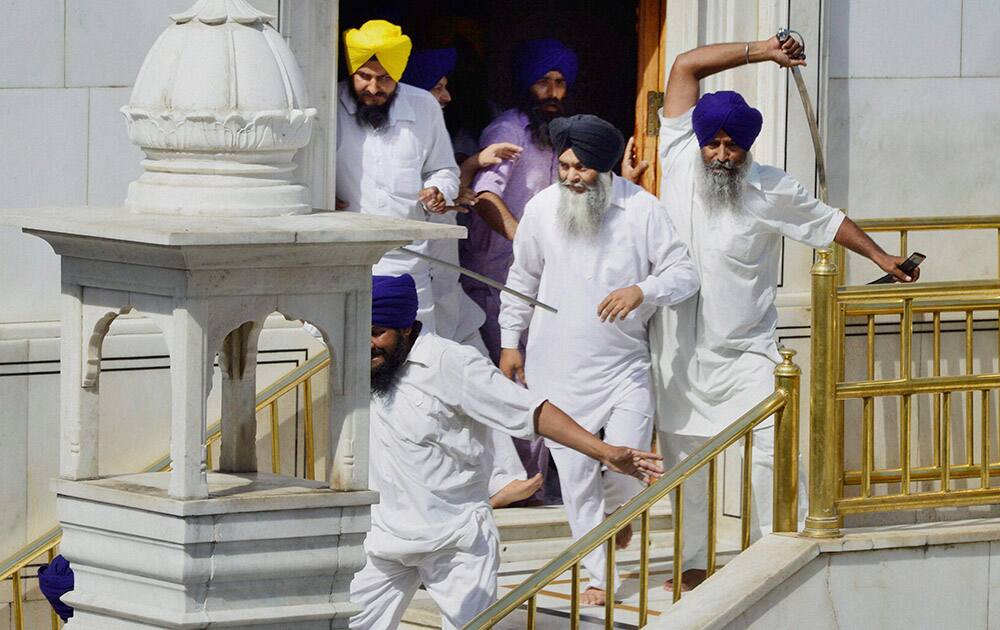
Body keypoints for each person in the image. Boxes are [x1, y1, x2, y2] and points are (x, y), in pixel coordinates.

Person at [648, 35, 920, 592]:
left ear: (748, 148)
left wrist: (882, 257)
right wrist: (762, 50)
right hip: (675, 350)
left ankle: (780, 556)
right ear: (697, 141)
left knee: (770, 452)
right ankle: (695, 568)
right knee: (687, 468)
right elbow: (684, 65)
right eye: (714, 143)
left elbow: (828, 221)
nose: (722, 154)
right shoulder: (676, 155)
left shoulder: (770, 188)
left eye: (732, 145)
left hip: (746, 352)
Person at [348, 274, 664, 629]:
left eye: (377, 332)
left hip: (455, 544)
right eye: (361, 329)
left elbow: (531, 411)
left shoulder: (452, 364)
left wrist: (603, 451)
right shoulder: (361, 363)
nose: (367, 342)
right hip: (384, 541)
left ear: (406, 328)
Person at [498, 115, 701, 605]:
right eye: (565, 165)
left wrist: (642, 289)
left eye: (582, 168)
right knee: (577, 479)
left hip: (625, 366)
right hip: (555, 370)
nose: (570, 176)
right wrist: (509, 342)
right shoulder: (542, 208)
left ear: (606, 169)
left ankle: (619, 515)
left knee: (630, 461)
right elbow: (521, 279)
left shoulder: (642, 210)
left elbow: (685, 273)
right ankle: (598, 575)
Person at [403, 47, 541, 508]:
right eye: (437, 87)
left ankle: (502, 477)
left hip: (445, 284)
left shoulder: (430, 132)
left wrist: (472, 164)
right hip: (408, 287)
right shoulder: (394, 139)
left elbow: (450, 192)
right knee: (433, 391)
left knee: (480, 374)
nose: (445, 96)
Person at [459, 38, 579, 505]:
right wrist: (520, 238)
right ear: (525, 83)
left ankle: (535, 484)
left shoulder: (560, 136)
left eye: (559, 82)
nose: (551, 91)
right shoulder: (505, 129)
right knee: (510, 379)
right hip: (495, 279)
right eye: (543, 81)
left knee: (543, 376)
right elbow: (485, 196)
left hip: (547, 284)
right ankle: (517, 485)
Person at [336, 20, 460, 335]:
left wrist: (438, 190)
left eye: (385, 79)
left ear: (399, 76)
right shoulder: (329, 106)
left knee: (416, 351)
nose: (373, 88)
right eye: (364, 76)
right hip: (343, 260)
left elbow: (444, 169)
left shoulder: (424, 105)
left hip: (408, 265)